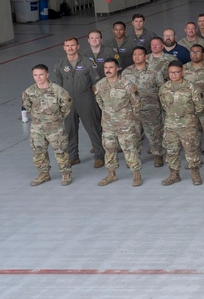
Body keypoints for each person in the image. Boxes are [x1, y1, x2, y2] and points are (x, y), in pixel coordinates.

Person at [51, 36, 105, 168]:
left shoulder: (87, 63)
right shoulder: (60, 65)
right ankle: (74, 157)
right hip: (68, 103)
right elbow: (58, 85)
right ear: (64, 48)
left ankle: (99, 156)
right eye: (67, 46)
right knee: (70, 130)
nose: (70, 48)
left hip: (86, 100)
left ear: (78, 46)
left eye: (73, 45)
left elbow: (96, 83)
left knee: (93, 128)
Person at [93, 59, 143, 187]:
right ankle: (111, 174)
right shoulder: (100, 85)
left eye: (111, 67)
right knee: (109, 149)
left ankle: (136, 174)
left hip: (125, 124)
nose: (108, 70)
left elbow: (136, 103)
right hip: (108, 125)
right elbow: (100, 101)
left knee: (129, 149)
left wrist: (132, 119)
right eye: (106, 67)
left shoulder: (127, 84)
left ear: (117, 68)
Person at [23, 64, 73, 186]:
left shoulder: (58, 90)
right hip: (37, 127)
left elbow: (66, 106)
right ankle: (44, 173)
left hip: (55, 127)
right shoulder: (29, 92)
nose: (38, 78)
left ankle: (65, 173)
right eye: (35, 75)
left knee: (60, 150)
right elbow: (28, 106)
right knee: (38, 151)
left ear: (47, 75)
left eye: (41, 74)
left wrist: (57, 118)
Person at [159, 62, 204, 186]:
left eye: (176, 72)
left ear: (182, 72)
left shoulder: (191, 87)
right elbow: (164, 105)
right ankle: (174, 174)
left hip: (188, 125)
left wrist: (187, 115)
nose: (173, 75)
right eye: (171, 72)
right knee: (171, 150)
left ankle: (195, 173)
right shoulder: (164, 88)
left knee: (191, 150)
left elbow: (199, 106)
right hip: (170, 125)